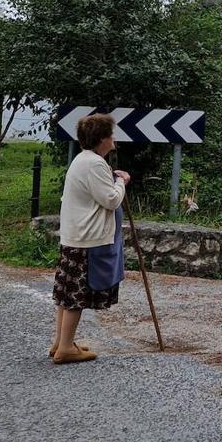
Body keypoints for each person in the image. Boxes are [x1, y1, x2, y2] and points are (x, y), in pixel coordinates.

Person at [50, 113, 130, 364]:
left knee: (66, 293)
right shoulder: (95, 164)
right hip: (87, 238)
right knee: (77, 295)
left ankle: (60, 343)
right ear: (102, 138)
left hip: (75, 235)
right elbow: (110, 199)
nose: (114, 139)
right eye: (111, 135)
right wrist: (121, 181)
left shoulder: (82, 160)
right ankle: (65, 349)